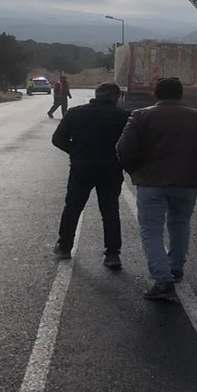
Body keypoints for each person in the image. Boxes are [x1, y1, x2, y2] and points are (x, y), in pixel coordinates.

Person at [116, 77, 197, 301]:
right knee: (180, 224)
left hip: (151, 183)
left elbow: (123, 149)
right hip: (188, 182)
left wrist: (135, 171)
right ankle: (175, 268)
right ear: (181, 94)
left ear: (155, 94)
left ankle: (162, 280)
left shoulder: (140, 116)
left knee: (151, 231)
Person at [51, 83, 131, 268]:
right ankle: (112, 254)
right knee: (110, 211)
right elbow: (130, 143)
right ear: (114, 97)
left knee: (73, 207)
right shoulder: (123, 116)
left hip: (81, 167)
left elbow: (57, 139)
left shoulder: (75, 113)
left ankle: (64, 247)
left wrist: (75, 151)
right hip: (111, 169)